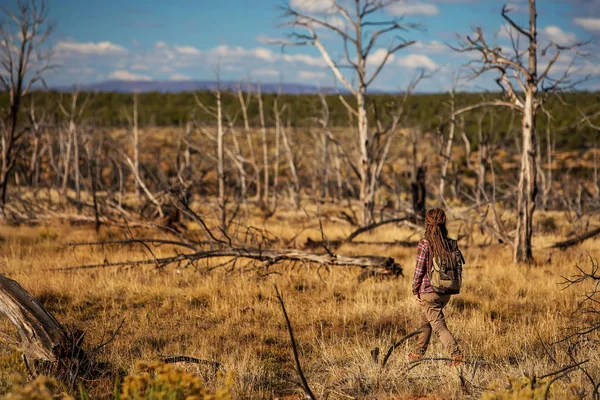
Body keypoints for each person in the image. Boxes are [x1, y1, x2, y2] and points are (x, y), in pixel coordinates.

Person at [408, 208, 463, 367]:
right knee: (426, 322)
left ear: (427, 222)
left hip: (428, 292)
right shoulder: (449, 242)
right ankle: (418, 354)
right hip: (445, 291)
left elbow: (419, 270)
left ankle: (456, 355)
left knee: (438, 325)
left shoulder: (425, 243)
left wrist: (415, 290)